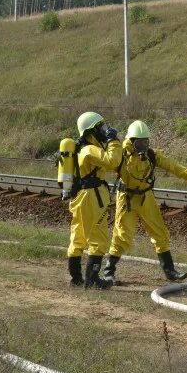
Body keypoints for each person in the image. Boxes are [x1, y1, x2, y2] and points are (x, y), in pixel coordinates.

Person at [103, 120, 187, 284]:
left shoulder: (151, 155)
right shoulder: (121, 155)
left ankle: (170, 271)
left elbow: (172, 165)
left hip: (146, 197)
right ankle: (108, 271)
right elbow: (105, 163)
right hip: (127, 198)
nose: (144, 146)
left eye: (146, 142)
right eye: (140, 143)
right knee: (122, 235)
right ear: (131, 142)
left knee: (160, 233)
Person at [66, 111, 122, 289]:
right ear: (91, 131)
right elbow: (112, 161)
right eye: (101, 127)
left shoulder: (81, 149)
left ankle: (76, 278)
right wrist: (114, 141)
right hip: (92, 197)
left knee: (78, 236)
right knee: (98, 237)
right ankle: (92, 280)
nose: (104, 131)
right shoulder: (90, 150)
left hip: (80, 196)